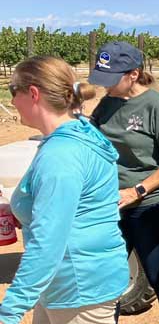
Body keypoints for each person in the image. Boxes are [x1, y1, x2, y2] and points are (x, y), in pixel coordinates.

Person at [0, 56, 128, 324]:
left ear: (33, 93)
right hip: (72, 284)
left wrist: (8, 312)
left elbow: (49, 243)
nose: (12, 101)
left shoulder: (60, 155)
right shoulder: (80, 132)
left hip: (78, 288)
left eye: (14, 91)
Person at [88, 41, 159, 324]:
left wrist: (138, 190)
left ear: (134, 74)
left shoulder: (155, 106)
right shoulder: (106, 104)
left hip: (149, 206)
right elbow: (92, 141)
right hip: (110, 205)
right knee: (106, 278)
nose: (104, 86)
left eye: (111, 79)